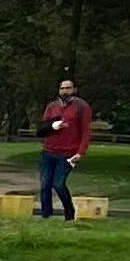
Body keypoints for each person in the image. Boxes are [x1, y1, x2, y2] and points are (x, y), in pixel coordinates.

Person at [36, 77, 94, 218]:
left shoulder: (81, 107)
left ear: (74, 89)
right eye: (62, 88)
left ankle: (69, 213)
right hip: (49, 151)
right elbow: (41, 129)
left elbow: (86, 131)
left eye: (68, 88)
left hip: (68, 154)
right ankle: (46, 216)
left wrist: (80, 152)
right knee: (45, 185)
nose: (64, 91)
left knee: (59, 184)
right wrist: (53, 126)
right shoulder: (52, 106)